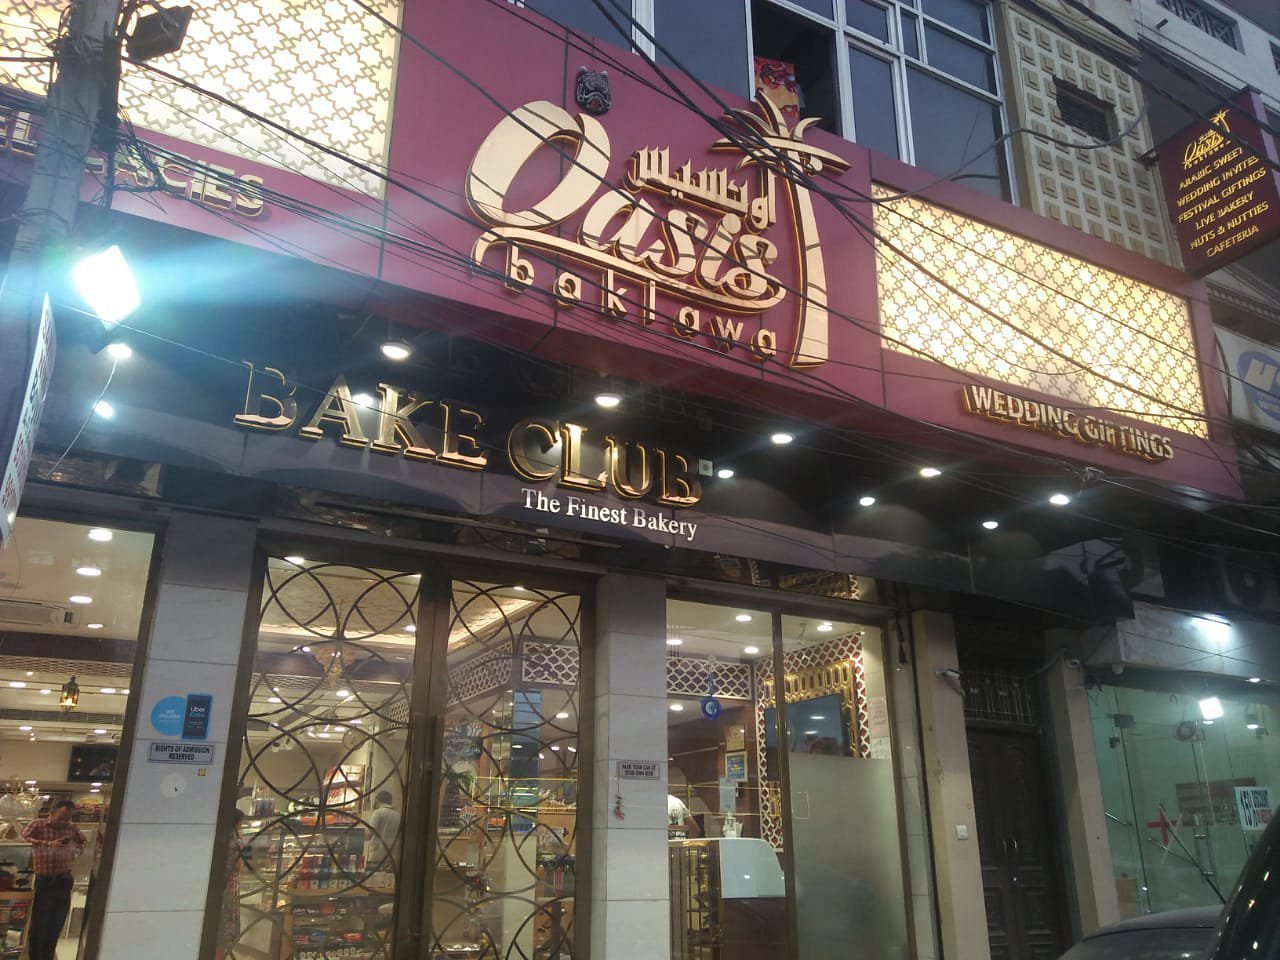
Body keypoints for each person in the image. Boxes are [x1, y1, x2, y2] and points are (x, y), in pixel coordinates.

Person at [21, 800, 86, 960]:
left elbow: (82, 844)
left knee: (56, 924)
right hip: (45, 880)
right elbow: (23, 838)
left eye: (68, 818)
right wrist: (49, 844)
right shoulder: (38, 824)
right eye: (61, 817)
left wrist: (74, 848)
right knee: (40, 924)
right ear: (53, 812)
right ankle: (35, 957)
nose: (64, 821)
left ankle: (48, 956)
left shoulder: (71, 827)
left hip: (64, 880)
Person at [365, 791, 402, 873]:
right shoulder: (398, 815)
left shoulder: (377, 813)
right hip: (391, 856)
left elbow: (369, 835)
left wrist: (359, 836)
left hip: (377, 855)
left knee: (375, 878)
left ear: (377, 800)